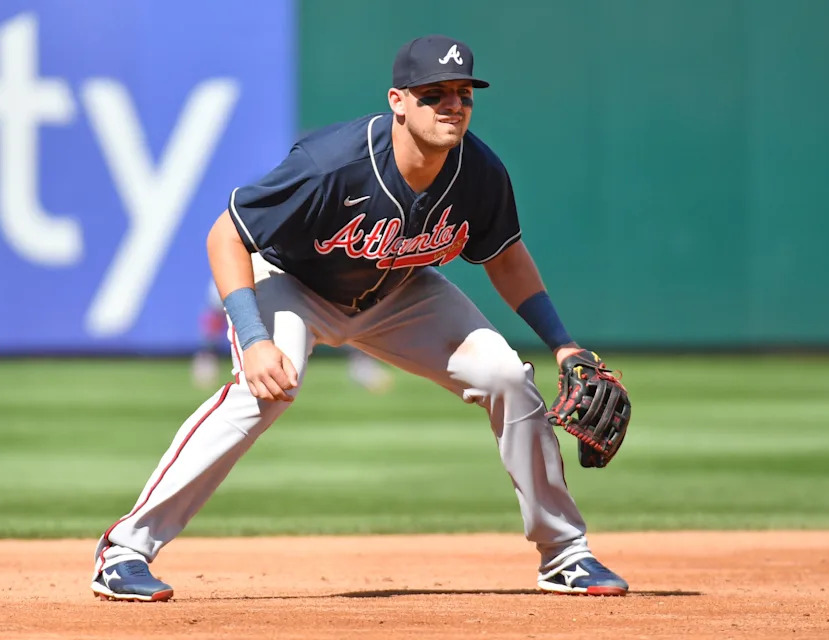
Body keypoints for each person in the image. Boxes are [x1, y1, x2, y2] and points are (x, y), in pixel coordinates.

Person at [91, 34, 629, 602]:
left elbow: (506, 258)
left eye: (463, 93)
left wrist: (563, 343)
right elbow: (226, 235)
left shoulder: (479, 171)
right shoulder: (331, 165)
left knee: (507, 378)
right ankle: (124, 550)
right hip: (292, 285)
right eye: (434, 94)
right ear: (398, 101)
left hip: (400, 292)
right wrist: (253, 338)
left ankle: (564, 553)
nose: (452, 105)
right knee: (263, 393)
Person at [191, 280, 394, 393]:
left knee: (338, 300)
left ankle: (360, 363)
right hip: (245, 248)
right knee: (219, 301)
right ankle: (206, 356)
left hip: (277, 256)